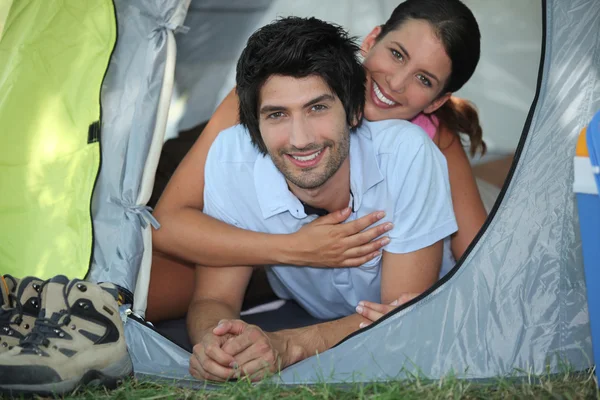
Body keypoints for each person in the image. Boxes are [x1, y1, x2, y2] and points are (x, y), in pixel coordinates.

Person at [147, 0, 486, 323]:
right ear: (372, 40)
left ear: (436, 100)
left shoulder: (430, 141)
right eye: (396, 55)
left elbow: (479, 258)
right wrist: (293, 249)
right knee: (143, 280)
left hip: (295, 257)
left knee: (174, 291)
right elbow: (169, 225)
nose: (395, 83)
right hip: (204, 173)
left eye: (423, 79)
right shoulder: (275, 97)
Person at [187, 15, 456, 382]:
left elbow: (401, 319)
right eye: (277, 114)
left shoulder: (408, 155)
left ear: (355, 111)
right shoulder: (231, 160)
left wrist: (291, 345)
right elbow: (213, 300)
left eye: (317, 108)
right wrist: (217, 344)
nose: (300, 139)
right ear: (255, 128)